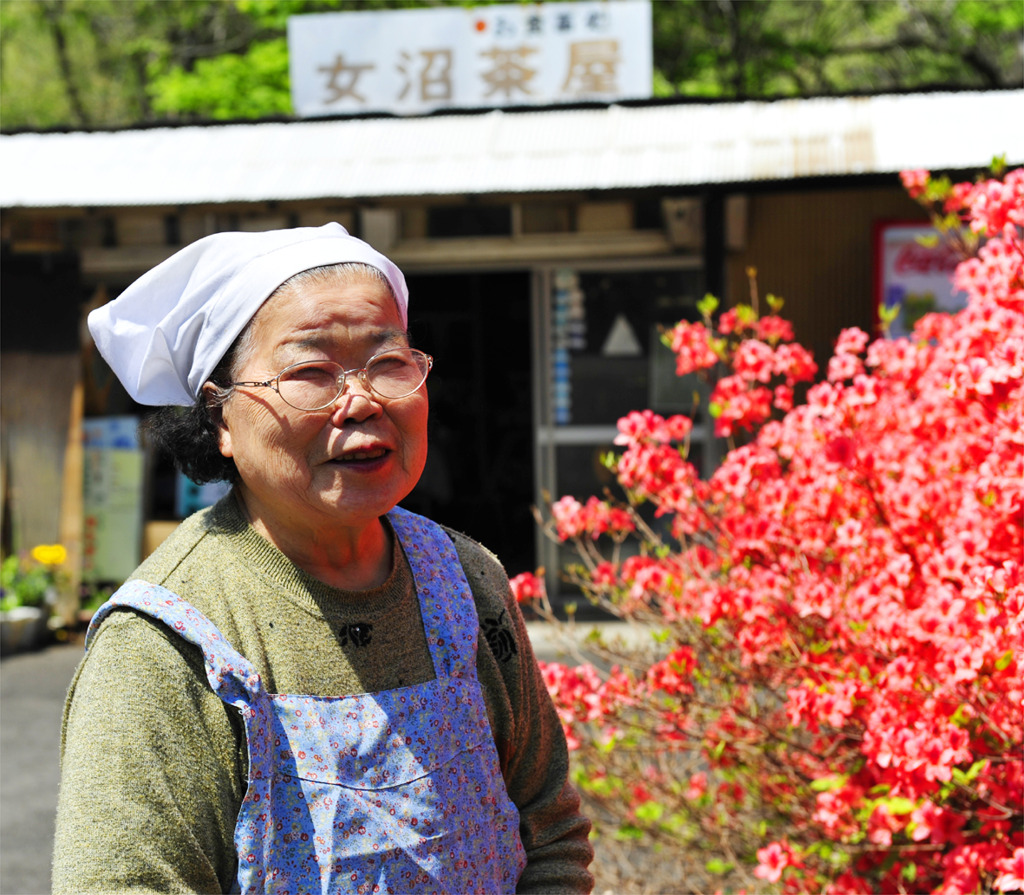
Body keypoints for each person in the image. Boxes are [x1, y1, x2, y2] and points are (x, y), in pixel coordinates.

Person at [52, 223, 594, 894]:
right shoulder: (165, 644)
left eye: (389, 362)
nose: (361, 400)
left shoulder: (469, 580)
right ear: (219, 418)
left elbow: (547, 824)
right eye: (310, 371)